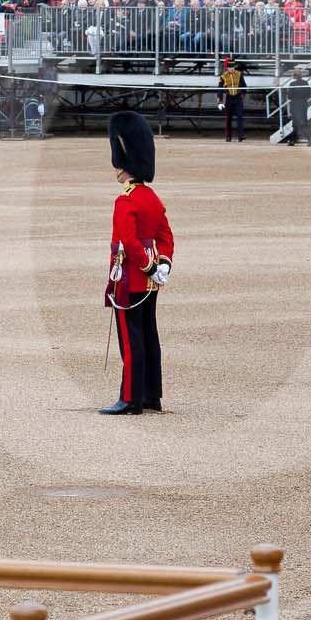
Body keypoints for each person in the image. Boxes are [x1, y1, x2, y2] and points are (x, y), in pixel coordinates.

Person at [102, 111, 173, 415]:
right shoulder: (152, 198)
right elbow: (166, 237)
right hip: (150, 281)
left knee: (131, 341)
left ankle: (130, 398)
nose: (115, 167)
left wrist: (144, 265)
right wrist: (161, 265)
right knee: (148, 335)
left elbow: (128, 243)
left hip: (130, 279)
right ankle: (150, 394)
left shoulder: (126, 200)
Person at [285, 67, 311, 146]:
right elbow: (309, 94)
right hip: (304, 104)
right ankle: (292, 141)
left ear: (294, 76)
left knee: (300, 123)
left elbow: (289, 96)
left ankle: (309, 137)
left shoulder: (292, 84)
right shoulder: (306, 83)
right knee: (298, 123)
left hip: (295, 104)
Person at [219, 57, 245, 142]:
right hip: (229, 97)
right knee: (228, 118)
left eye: (233, 67)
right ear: (227, 67)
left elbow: (244, 85)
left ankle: (240, 136)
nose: (231, 69)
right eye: (230, 67)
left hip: (238, 97)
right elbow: (219, 89)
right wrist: (220, 101)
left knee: (240, 116)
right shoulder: (223, 76)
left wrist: (243, 94)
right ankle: (228, 136)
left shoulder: (239, 74)